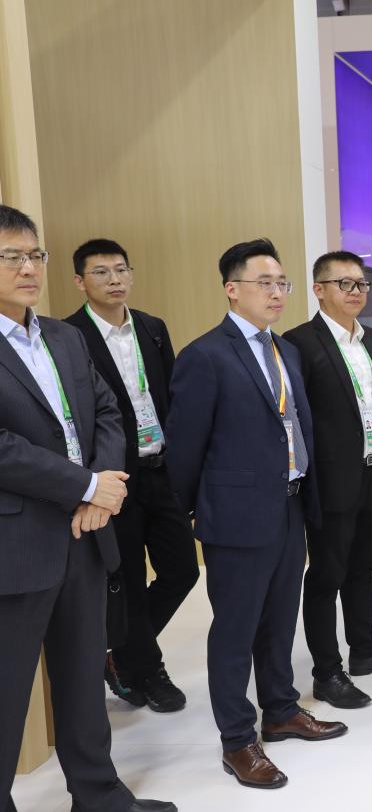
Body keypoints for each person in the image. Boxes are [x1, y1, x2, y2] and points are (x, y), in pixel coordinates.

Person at [0, 206, 176, 812]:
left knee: (81, 680)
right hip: (17, 544)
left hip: (85, 536)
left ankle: (100, 797)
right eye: (12, 257)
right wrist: (84, 485)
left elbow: (106, 412)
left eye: (35, 255)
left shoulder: (63, 336)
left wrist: (101, 487)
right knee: (7, 691)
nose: (29, 268)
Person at [166, 239, 346, 789]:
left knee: (279, 618)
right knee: (235, 629)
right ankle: (237, 739)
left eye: (281, 283)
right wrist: (198, 511)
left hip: (289, 504)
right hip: (236, 515)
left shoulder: (285, 350)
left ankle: (281, 709)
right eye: (264, 283)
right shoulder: (205, 355)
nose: (276, 293)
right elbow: (184, 448)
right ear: (231, 289)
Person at [64, 239, 199, 714]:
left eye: (121, 270)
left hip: (160, 467)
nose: (114, 280)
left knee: (182, 570)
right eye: (101, 272)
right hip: (113, 476)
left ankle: (121, 654)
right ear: (80, 282)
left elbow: (172, 396)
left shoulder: (152, 328)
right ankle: (148, 669)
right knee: (127, 576)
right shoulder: (70, 336)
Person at [284, 252, 372, 709]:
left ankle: (364, 649)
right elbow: (297, 417)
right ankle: (327, 672)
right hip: (331, 480)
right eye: (345, 283)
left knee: (364, 567)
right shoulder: (299, 343)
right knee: (327, 576)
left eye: (361, 284)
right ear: (319, 290)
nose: (356, 291)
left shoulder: (368, 340)